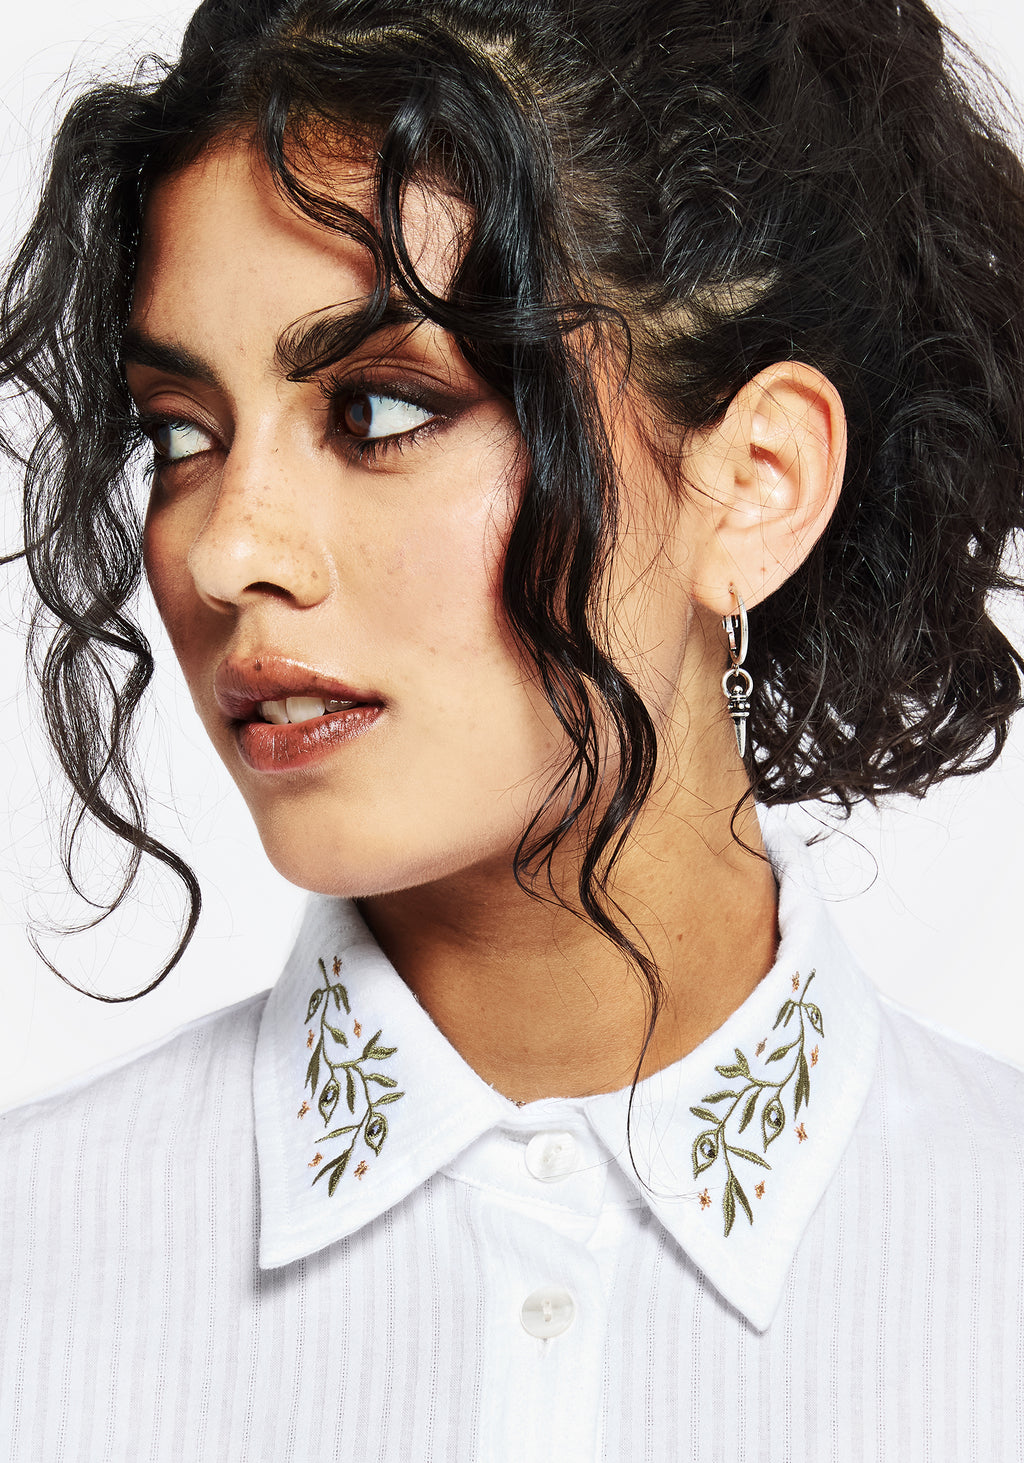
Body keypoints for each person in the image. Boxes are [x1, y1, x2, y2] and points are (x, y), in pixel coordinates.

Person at [1, 0, 1023, 1456]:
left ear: (755, 483)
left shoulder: (995, 1270)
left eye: (379, 410)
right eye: (181, 432)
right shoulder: (33, 1268)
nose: (226, 552)